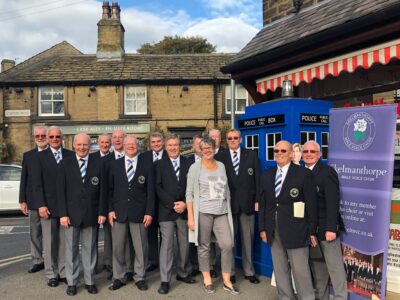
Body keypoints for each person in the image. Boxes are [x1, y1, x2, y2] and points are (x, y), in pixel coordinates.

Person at [258, 140, 317, 300]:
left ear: (291, 153)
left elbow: (312, 205)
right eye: (276, 150)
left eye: (283, 151)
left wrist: (312, 231)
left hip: (297, 229)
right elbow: (263, 204)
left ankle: (307, 297)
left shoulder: (304, 174)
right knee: (280, 268)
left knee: (300, 270)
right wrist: (262, 228)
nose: (278, 153)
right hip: (273, 229)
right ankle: (286, 297)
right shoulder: (267, 174)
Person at [186, 136, 239, 295]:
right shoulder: (195, 168)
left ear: (215, 149)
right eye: (205, 148)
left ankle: (227, 280)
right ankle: (207, 279)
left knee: (227, 245)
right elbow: (189, 194)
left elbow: (226, 189)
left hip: (222, 212)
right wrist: (190, 217)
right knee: (204, 246)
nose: (208, 150)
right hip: (203, 212)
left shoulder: (221, 166)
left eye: (211, 147)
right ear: (200, 151)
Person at [57, 133, 107, 296]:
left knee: (90, 249)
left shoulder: (98, 162)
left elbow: (102, 191)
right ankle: (71, 282)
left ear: (90, 145)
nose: (82, 148)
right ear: (74, 146)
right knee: (71, 251)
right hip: (71, 215)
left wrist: (101, 212)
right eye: (79, 145)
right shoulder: (65, 163)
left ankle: (90, 281)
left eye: (85, 145)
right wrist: (63, 214)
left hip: (92, 214)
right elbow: (61, 191)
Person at [107, 135, 155, 291]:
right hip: (119, 212)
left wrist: (149, 212)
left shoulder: (147, 165)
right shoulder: (114, 165)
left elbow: (150, 192)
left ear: (138, 146)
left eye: (133, 144)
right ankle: (118, 277)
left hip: (140, 213)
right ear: (123, 146)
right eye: (128, 144)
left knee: (141, 247)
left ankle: (139, 277)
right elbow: (109, 190)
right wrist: (110, 210)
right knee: (118, 247)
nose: (130, 146)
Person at [303, 140, 347, 300]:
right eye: (305, 151)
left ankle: (341, 297)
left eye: (312, 152)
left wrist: (331, 228)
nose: (308, 154)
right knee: (318, 268)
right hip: (311, 230)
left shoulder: (327, 172)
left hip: (326, 229)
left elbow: (333, 202)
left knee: (335, 268)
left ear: (320, 154)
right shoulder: (302, 173)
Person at [32, 126, 74, 287]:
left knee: (65, 243)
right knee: (49, 243)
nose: (55, 139)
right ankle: (51, 274)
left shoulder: (70, 155)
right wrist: (41, 205)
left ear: (62, 138)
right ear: (47, 139)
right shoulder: (39, 157)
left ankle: (63, 272)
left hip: (67, 208)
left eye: (58, 136)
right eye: (52, 137)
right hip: (47, 207)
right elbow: (37, 185)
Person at [155, 133, 195, 294]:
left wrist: (185, 204)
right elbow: (157, 187)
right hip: (166, 211)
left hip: (184, 210)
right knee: (167, 245)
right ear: (166, 147)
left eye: (176, 145)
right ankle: (165, 279)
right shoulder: (159, 164)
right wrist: (172, 204)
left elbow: (192, 187)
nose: (173, 148)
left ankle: (183, 272)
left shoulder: (188, 163)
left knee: (184, 243)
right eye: (170, 145)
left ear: (180, 146)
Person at [223, 129, 260, 284]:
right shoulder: (220, 156)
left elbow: (257, 178)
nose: (233, 140)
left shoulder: (251, 154)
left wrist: (257, 200)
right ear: (226, 140)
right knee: (229, 241)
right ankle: (230, 272)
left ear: (241, 139)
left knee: (248, 240)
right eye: (230, 138)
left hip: (248, 204)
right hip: (228, 206)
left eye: (235, 138)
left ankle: (249, 271)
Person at [102, 129, 134, 281]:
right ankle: (113, 268)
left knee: (131, 240)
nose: (117, 140)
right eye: (114, 137)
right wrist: (109, 209)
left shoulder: (137, 158)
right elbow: (107, 188)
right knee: (114, 240)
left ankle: (130, 268)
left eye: (120, 137)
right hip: (115, 208)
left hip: (133, 208)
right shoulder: (106, 160)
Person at [19, 126, 48, 274]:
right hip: (33, 200)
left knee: (52, 234)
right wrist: (22, 200)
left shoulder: (55, 153)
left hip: (51, 201)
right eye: (38, 136)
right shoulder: (28, 155)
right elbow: (24, 178)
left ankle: (51, 259)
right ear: (34, 137)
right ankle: (37, 260)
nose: (41, 138)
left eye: (43, 135)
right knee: (35, 232)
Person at [140, 132, 167, 272]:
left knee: (165, 233)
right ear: (150, 144)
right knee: (150, 232)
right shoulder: (143, 157)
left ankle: (164, 260)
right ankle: (153, 260)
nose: (156, 144)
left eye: (158, 141)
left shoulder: (169, 155)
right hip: (148, 201)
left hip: (164, 202)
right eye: (153, 142)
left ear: (163, 142)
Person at [208, 128, 227, 277]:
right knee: (209, 239)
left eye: (216, 137)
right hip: (207, 203)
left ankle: (222, 266)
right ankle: (212, 266)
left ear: (220, 139)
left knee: (223, 239)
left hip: (222, 202)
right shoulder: (205, 154)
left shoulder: (226, 155)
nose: (214, 139)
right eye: (211, 137)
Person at [94, 134, 112, 276]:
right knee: (91, 235)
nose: (105, 145)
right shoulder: (92, 158)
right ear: (98, 143)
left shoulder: (113, 158)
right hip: (92, 202)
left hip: (107, 201)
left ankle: (108, 262)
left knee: (108, 234)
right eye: (102, 142)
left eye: (107, 142)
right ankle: (92, 264)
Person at [187, 134, 203, 277]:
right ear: (193, 146)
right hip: (192, 205)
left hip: (206, 205)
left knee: (207, 238)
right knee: (193, 238)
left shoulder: (212, 161)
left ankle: (209, 266)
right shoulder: (187, 162)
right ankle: (194, 265)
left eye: (202, 144)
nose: (199, 147)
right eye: (197, 144)